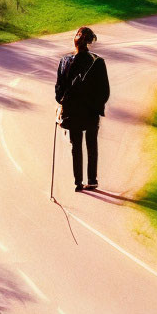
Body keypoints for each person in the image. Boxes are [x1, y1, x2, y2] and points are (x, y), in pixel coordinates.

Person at [55, 26, 110, 192]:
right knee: (91, 144)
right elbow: (104, 91)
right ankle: (92, 180)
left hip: (71, 112)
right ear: (90, 42)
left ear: (75, 41)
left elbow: (59, 92)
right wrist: (96, 106)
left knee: (75, 146)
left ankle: (78, 182)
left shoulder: (65, 62)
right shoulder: (98, 62)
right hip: (91, 111)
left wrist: (62, 104)